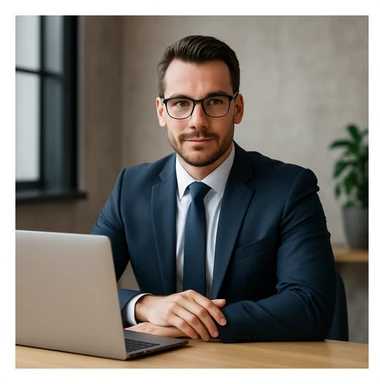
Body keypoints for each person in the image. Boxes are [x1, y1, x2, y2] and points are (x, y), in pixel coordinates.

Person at [91, 34, 337, 343]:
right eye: (181, 103)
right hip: (161, 366)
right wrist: (145, 305)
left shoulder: (290, 189)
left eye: (214, 102)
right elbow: (82, 288)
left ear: (238, 108)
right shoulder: (132, 187)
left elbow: (310, 305)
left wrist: (188, 325)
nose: (198, 121)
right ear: (160, 112)